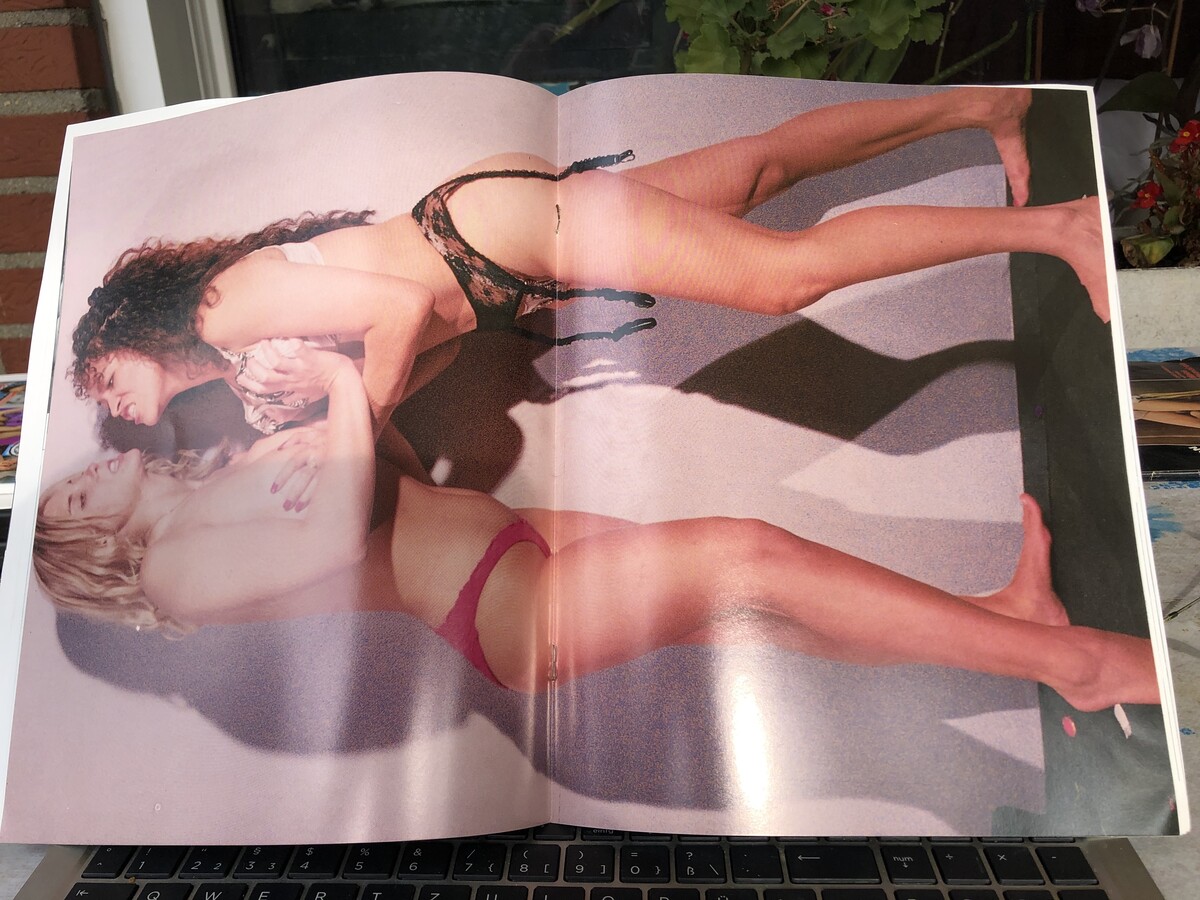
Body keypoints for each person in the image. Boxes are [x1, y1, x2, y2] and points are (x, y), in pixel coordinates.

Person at [34, 345, 1157, 713]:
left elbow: (375, 498)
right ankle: (1082, 665)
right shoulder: (169, 575)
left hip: (507, 540)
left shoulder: (208, 489)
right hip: (503, 606)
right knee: (747, 557)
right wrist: (333, 384)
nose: (87, 480)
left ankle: (1007, 620)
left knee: (751, 610)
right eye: (73, 506)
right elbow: (333, 541)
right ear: (90, 554)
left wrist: (342, 420)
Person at [70, 87, 1110, 444]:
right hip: (495, 255)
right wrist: (355, 396)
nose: (107, 403)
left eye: (100, 377)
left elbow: (394, 309)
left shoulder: (220, 310)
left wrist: (362, 417)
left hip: (489, 236)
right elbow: (439, 339)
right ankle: (987, 104)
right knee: (760, 169)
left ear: (129, 328)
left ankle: (1063, 227)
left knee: (783, 278)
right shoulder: (240, 365)